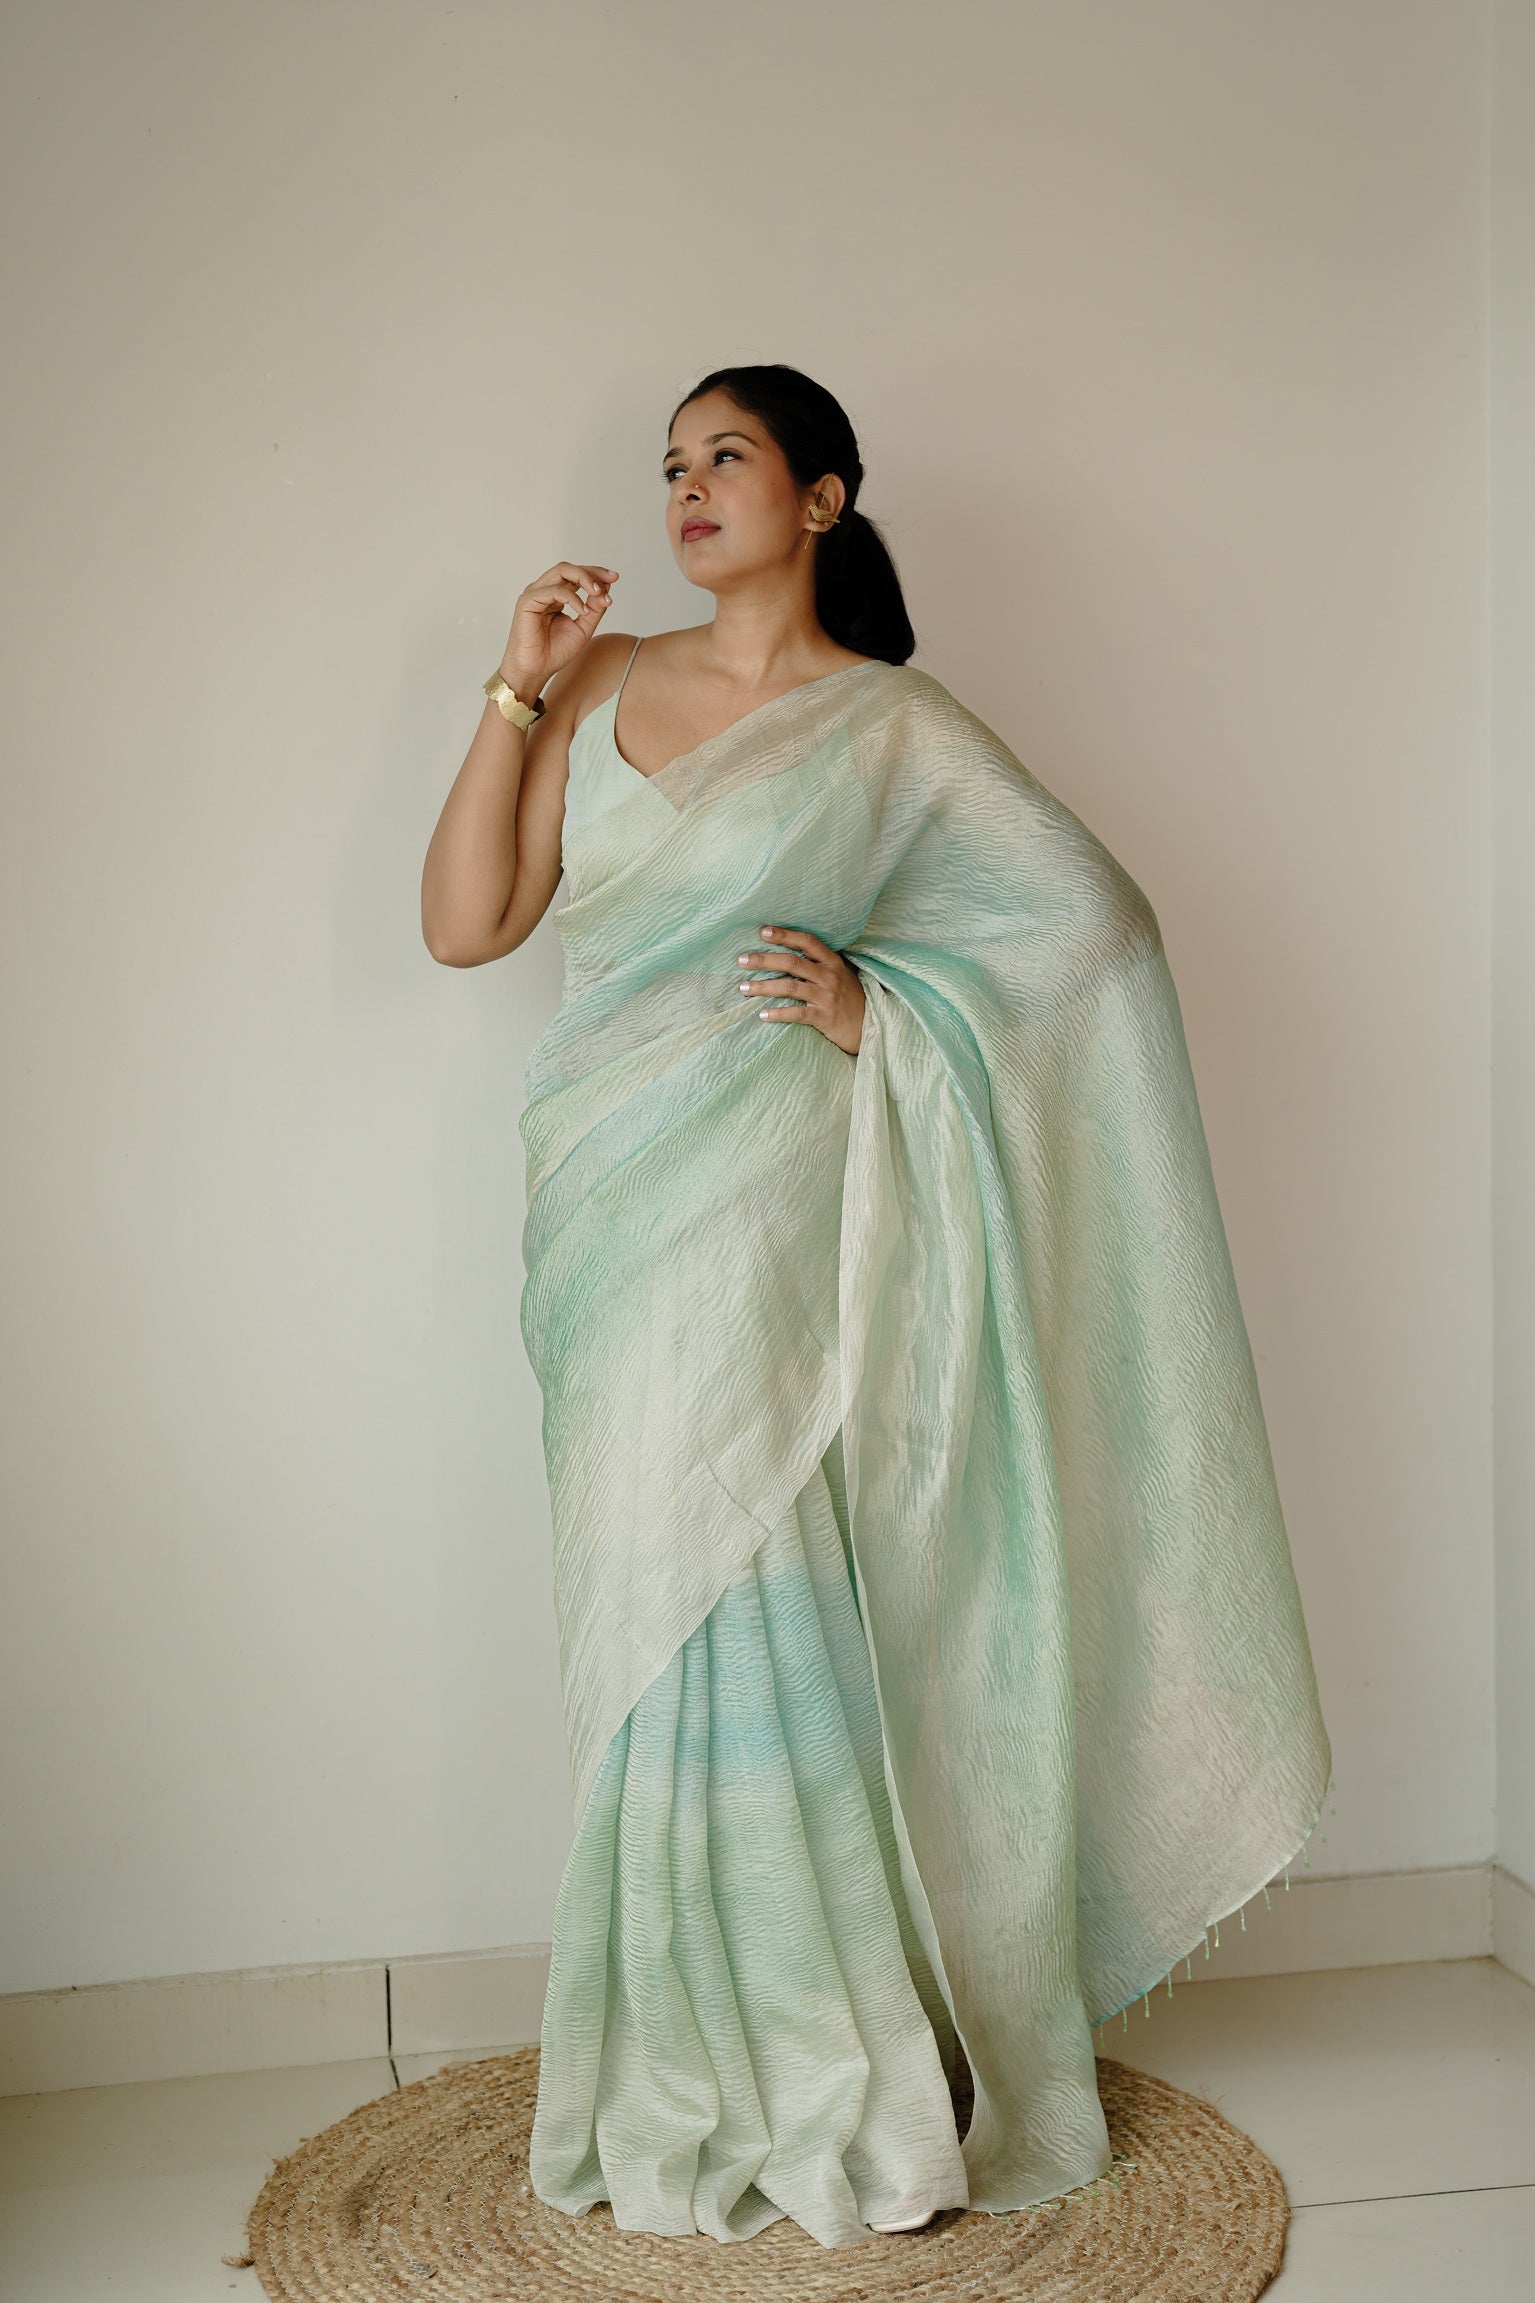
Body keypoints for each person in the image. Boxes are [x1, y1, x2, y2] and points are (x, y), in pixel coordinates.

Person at [420, 363, 1333, 2252]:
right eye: (668, 465)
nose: (685, 488)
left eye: (725, 457)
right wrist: (515, 680)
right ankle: (681, 2034)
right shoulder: (595, 684)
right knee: (645, 1610)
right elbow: (465, 923)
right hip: (610, 1210)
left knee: (761, 1588)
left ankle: (828, 2045)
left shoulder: (893, 731)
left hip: (776, 1215)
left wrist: (889, 1011)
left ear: (824, 497)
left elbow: (1090, 928)